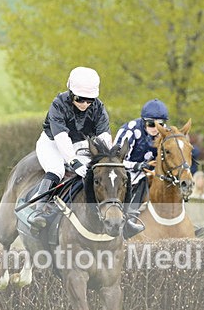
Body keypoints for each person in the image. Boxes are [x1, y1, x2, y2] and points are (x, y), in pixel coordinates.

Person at [27, 67, 122, 231]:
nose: (84, 104)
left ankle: (120, 213)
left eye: (89, 100)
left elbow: (104, 137)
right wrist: (73, 162)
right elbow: (61, 138)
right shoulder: (58, 105)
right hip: (53, 143)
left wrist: (104, 159)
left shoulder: (99, 108)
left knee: (99, 173)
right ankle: (39, 210)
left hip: (80, 144)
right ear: (71, 93)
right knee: (56, 170)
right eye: (80, 99)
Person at [112, 99, 170, 237]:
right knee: (141, 180)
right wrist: (137, 166)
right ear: (144, 122)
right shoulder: (130, 131)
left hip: (148, 171)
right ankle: (129, 219)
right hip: (123, 170)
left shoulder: (166, 133)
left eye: (160, 124)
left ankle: (178, 219)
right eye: (151, 124)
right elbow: (115, 160)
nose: (156, 128)